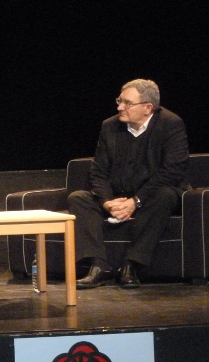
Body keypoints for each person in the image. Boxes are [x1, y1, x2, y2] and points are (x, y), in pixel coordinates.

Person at [68, 79, 189, 290]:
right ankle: (99, 267)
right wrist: (107, 203)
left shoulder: (170, 124)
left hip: (152, 195)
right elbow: (98, 172)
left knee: (165, 195)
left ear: (147, 108)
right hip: (117, 195)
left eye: (127, 103)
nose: (119, 107)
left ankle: (131, 265)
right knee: (78, 198)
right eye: (119, 101)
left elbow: (172, 171)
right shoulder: (110, 126)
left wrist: (136, 201)